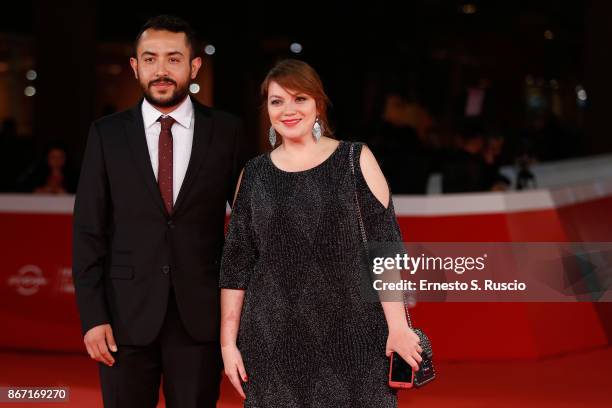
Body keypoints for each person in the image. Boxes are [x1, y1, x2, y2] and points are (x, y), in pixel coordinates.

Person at [219, 59, 423, 407]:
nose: (288, 110)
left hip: (356, 333)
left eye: (299, 98)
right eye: (277, 101)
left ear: (318, 104)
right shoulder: (253, 175)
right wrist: (227, 344)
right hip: (272, 338)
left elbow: (383, 250)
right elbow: (237, 263)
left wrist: (398, 326)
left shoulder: (354, 159)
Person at [72, 15, 249, 408]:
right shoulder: (107, 134)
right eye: (150, 59)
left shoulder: (226, 131)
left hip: (200, 317)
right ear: (135, 67)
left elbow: (248, 226)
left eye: (173, 59)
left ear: (194, 65)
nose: (161, 70)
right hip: (122, 317)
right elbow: (88, 231)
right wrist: (93, 317)